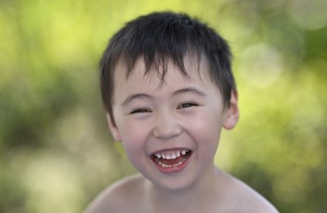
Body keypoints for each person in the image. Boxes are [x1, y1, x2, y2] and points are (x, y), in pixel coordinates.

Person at [86, 11, 278, 213]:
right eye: (141, 109)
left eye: (186, 105)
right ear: (114, 124)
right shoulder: (112, 206)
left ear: (229, 108)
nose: (166, 129)